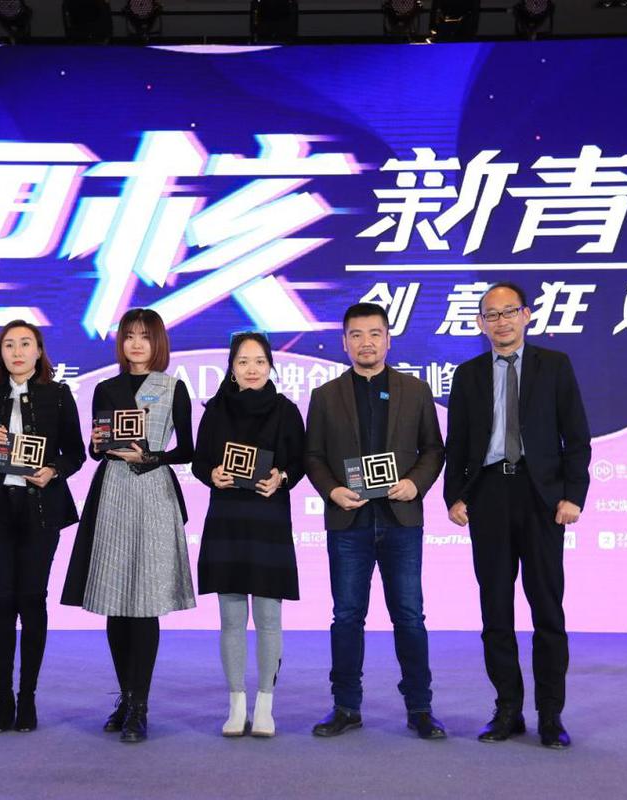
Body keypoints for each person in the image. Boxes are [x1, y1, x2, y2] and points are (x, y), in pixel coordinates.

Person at [443, 281, 592, 749]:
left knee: (547, 608)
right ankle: (507, 709)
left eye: (509, 312)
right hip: (488, 494)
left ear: (526, 315)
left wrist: (573, 495)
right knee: (495, 610)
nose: (501, 321)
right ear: (480, 323)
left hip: (541, 497)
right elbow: (457, 443)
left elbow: (577, 437)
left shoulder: (555, 365)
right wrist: (454, 496)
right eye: (492, 314)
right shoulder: (468, 375)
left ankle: (551, 714)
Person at [303, 302, 447, 740]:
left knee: (410, 616)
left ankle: (420, 708)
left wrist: (415, 484)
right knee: (347, 616)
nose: (366, 342)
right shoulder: (325, 395)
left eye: (374, 333)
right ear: (344, 342)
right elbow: (312, 455)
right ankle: (346, 706)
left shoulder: (415, 390)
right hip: (349, 521)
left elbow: (434, 449)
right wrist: (332, 490)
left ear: (388, 339)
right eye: (356, 335)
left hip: (401, 520)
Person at [60, 307, 195, 743]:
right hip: (114, 491)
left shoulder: (173, 388)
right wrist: (97, 444)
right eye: (130, 335)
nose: (137, 344)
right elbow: (95, 449)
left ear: (158, 343)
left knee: (146, 601)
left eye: (145, 336)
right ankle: (125, 696)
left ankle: (140, 704)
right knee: (116, 601)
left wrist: (153, 455)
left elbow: (188, 450)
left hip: (154, 491)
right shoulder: (106, 387)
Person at [0, 320, 85, 733]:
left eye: (25, 343)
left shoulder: (58, 396)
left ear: (39, 351)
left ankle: (27, 698)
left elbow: (76, 453)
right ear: (1, 353)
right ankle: (3, 700)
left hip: (40, 509)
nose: (17, 351)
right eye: (9, 345)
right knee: (1, 602)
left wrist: (53, 470)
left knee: (32, 601)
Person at [193, 332, 305, 738]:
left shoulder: (286, 410)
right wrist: (212, 474)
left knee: (269, 617)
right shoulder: (215, 410)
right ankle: (236, 702)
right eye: (243, 362)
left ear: (270, 365)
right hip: (227, 519)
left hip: (268, 520)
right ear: (232, 368)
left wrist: (282, 477)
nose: (252, 369)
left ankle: (265, 705)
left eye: (259, 361)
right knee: (231, 618)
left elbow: (300, 461)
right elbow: (199, 461)